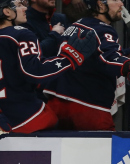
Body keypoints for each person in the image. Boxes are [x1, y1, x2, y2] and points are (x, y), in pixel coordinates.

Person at [43, 0, 130, 131]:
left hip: (57, 102)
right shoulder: (103, 29)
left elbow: (93, 56)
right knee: (106, 149)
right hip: (88, 107)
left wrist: (121, 53)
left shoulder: (76, 24)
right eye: (116, 0)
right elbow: (108, 58)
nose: (121, 4)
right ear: (100, 5)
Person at [0, 0, 97, 133]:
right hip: (28, 118)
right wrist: (69, 58)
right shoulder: (21, 33)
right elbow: (35, 71)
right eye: (19, 5)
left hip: (5, 119)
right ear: (6, 12)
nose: (24, 9)